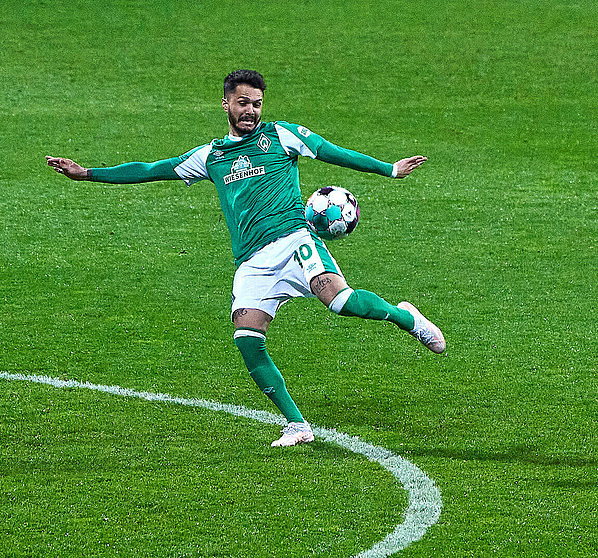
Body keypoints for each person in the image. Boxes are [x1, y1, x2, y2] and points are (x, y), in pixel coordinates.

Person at [47, 69, 444, 447]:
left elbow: (329, 152)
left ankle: (408, 318)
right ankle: (297, 424)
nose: (251, 111)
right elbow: (153, 169)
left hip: (294, 241)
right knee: (248, 340)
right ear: (226, 105)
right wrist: (89, 174)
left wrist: (389, 169)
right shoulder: (211, 157)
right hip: (253, 262)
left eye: (256, 103)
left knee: (341, 302)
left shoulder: (282, 136)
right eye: (243, 103)